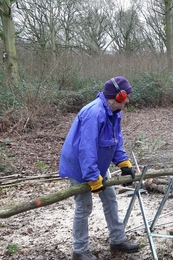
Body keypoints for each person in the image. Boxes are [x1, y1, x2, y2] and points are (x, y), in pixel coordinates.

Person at [59, 76, 140, 260]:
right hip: (80, 165)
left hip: (98, 162)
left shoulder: (113, 112)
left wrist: (123, 163)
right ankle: (79, 250)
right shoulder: (94, 113)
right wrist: (93, 177)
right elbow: (86, 148)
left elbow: (115, 140)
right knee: (84, 206)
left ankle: (117, 239)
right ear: (118, 96)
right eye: (125, 96)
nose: (127, 100)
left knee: (110, 198)